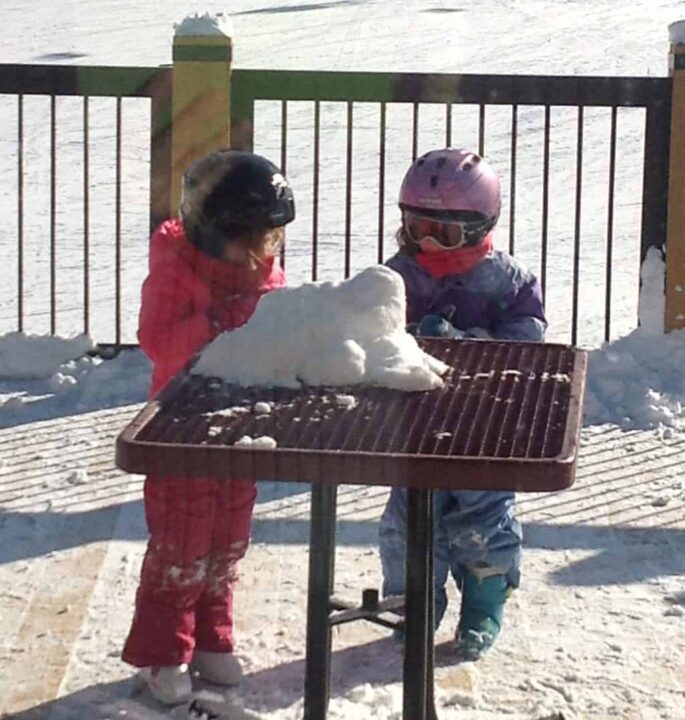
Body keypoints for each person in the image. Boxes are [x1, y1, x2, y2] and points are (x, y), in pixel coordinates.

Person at [122, 149, 295, 704]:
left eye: (271, 241)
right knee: (181, 541)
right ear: (215, 230)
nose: (264, 254)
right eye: (255, 240)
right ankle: (164, 650)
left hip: (239, 423)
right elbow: (159, 343)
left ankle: (211, 638)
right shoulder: (176, 268)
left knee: (226, 538)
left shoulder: (262, 275)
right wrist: (218, 319)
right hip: (181, 426)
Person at [378, 147, 547, 661]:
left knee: (483, 522)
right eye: (416, 228)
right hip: (417, 427)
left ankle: (484, 603)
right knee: (407, 522)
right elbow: (371, 331)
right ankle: (415, 601)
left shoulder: (508, 282)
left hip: (483, 429)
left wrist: (468, 345)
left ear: (479, 228)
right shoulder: (397, 277)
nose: (427, 243)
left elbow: (525, 349)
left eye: (444, 233)